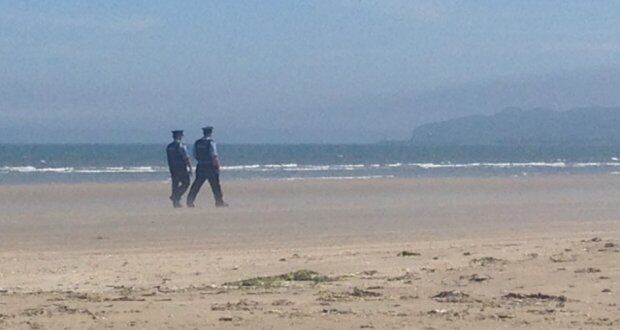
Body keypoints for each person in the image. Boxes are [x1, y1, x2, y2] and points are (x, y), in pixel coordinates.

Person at [187, 126, 228, 207]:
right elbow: (214, 155)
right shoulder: (211, 143)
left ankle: (190, 201)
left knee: (197, 184)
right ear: (210, 133)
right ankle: (219, 201)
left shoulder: (197, 143)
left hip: (201, 165)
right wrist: (217, 166)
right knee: (215, 185)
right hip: (210, 166)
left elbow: (194, 154)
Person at [166, 130, 192, 208]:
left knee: (175, 184)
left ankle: (175, 202)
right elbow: (186, 158)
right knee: (186, 183)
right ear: (179, 136)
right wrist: (190, 168)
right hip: (181, 168)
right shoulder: (181, 146)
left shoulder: (169, 146)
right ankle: (175, 196)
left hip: (172, 167)